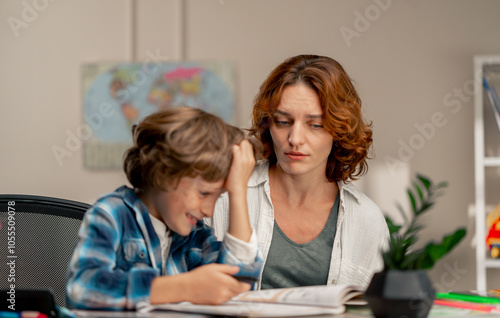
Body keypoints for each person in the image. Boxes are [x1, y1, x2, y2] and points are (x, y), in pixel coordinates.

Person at [208, 54, 389, 289]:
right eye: (283, 121)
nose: (294, 139)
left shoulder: (366, 219)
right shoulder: (224, 196)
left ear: (339, 131)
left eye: (315, 125)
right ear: (268, 124)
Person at [66, 107, 263, 310]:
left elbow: (239, 281)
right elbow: (82, 289)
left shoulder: (195, 235)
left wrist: (237, 194)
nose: (209, 211)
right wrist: (183, 287)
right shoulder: (112, 214)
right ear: (164, 173)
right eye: (204, 193)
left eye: (218, 196)